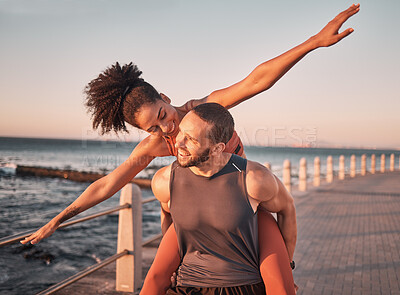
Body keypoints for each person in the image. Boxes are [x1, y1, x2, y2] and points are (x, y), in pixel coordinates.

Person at [20, 3, 360, 293]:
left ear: (166, 98)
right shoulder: (156, 145)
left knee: (281, 285)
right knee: (154, 280)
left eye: (163, 115)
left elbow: (257, 80)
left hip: (243, 211)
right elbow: (109, 184)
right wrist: (57, 220)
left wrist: (315, 42)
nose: (166, 128)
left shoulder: (203, 110)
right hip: (196, 216)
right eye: (153, 127)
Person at [144, 103, 296, 294]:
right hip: (187, 285)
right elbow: (168, 217)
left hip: (242, 286)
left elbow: (287, 208)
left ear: (217, 149)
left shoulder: (253, 179)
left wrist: (286, 267)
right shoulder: (164, 181)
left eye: (190, 139)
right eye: (181, 133)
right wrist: (173, 264)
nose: (178, 143)